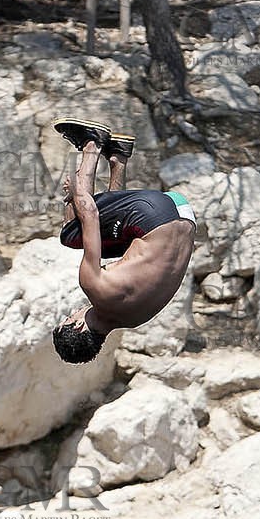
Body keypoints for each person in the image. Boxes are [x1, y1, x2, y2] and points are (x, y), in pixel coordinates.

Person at [52, 120, 196, 364]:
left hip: (185, 214)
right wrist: (74, 191)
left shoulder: (134, 319)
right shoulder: (94, 287)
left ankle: (118, 156)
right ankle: (92, 143)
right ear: (78, 326)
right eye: (69, 317)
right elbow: (90, 214)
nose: (74, 312)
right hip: (155, 213)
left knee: (113, 239)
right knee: (72, 235)